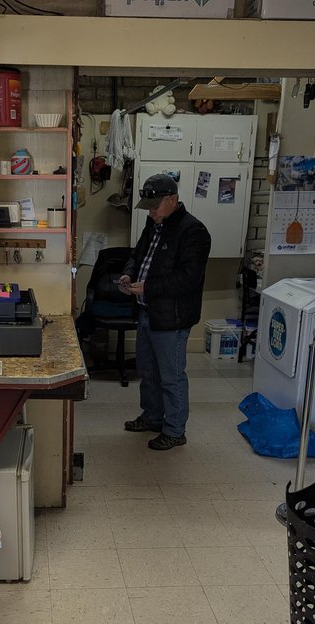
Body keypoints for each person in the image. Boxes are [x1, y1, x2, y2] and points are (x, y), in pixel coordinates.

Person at [119, 173, 211, 450]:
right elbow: (137, 256)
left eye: (155, 206)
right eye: (148, 207)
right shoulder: (153, 224)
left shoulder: (194, 232)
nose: (151, 212)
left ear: (173, 200)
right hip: (146, 312)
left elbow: (188, 278)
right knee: (147, 371)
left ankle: (174, 430)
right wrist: (128, 274)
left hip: (173, 317)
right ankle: (153, 417)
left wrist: (148, 287)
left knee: (171, 377)